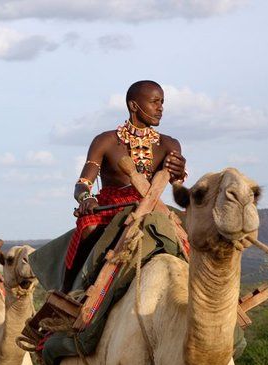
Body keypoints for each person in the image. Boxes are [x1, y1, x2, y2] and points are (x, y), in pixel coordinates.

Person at [64, 79, 188, 291]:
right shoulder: (106, 141)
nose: (161, 108)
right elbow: (82, 185)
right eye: (155, 102)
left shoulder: (170, 144)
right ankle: (72, 291)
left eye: (162, 102)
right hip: (109, 208)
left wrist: (178, 177)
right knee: (89, 227)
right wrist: (87, 198)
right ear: (134, 105)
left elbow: (181, 196)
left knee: (190, 231)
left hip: (151, 208)